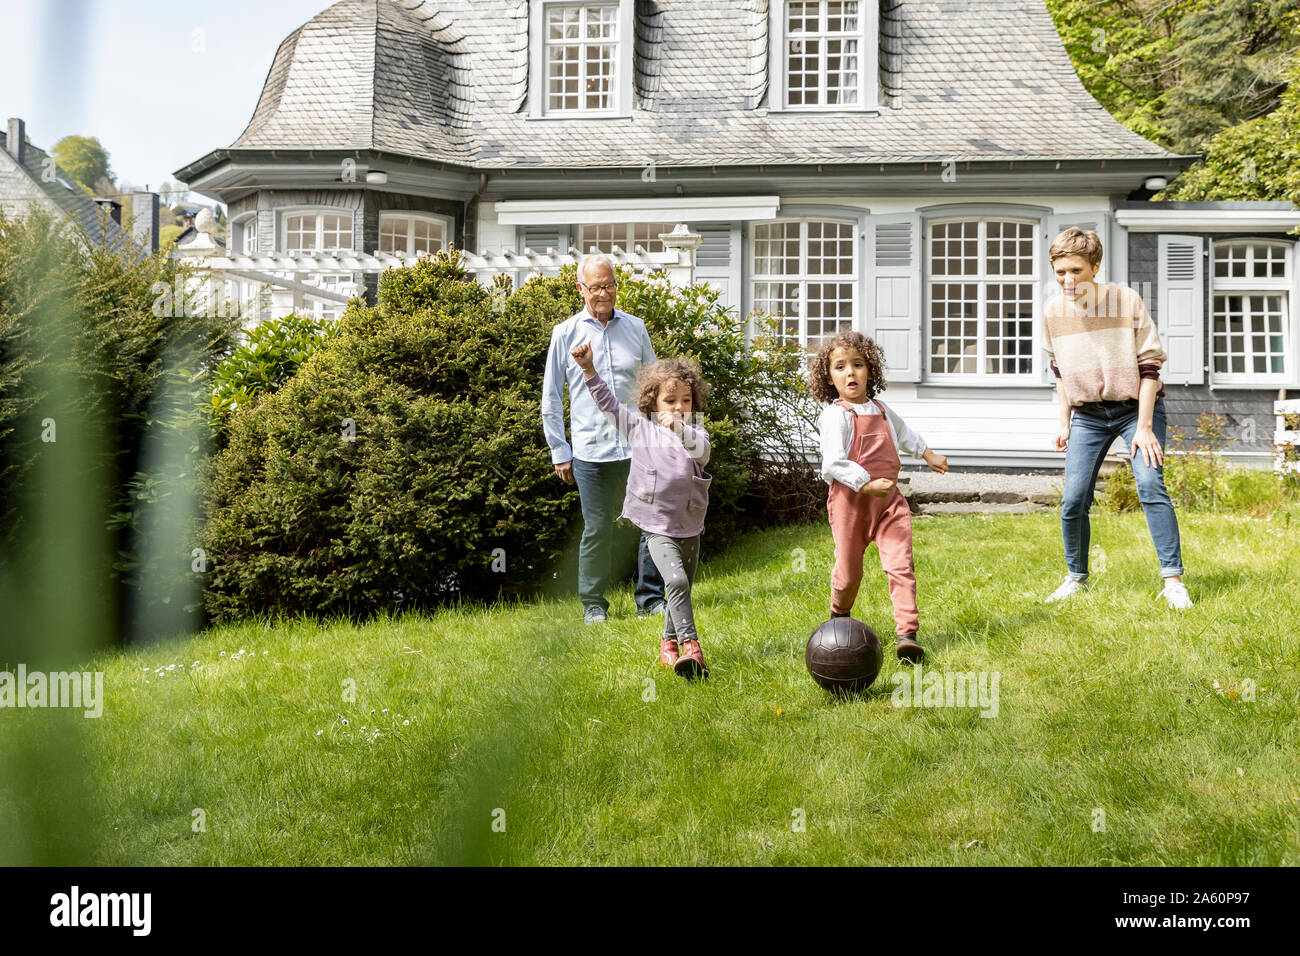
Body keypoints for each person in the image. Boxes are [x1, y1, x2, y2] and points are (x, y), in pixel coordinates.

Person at [1044, 227, 1191, 609]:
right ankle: (1076, 577)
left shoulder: (1125, 301)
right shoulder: (1053, 311)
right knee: (1074, 499)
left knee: (1149, 484)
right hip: (1088, 415)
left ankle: (1173, 583)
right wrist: (1064, 422)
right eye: (1060, 272)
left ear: (1095, 266)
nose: (1068, 280)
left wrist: (1143, 428)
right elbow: (1059, 372)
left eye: (1076, 270)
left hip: (1135, 409)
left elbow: (1149, 368)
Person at [570, 343, 713, 677]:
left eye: (686, 401)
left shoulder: (696, 432)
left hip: (689, 524)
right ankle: (692, 647)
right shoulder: (640, 429)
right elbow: (607, 404)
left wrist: (678, 427)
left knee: (683, 589)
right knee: (675, 580)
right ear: (652, 403)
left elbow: (701, 452)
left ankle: (668, 644)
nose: (679, 408)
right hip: (657, 526)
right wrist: (589, 370)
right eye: (670, 401)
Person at [541, 254, 666, 624]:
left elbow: (654, 386)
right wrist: (559, 451)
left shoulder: (636, 328)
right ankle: (593, 604)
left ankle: (650, 599)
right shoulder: (565, 333)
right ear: (581, 289)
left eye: (609, 285)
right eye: (595, 287)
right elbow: (551, 397)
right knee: (597, 528)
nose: (604, 293)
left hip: (636, 447)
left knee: (651, 524)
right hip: (590, 451)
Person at [811, 330, 949, 662]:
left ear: (870, 370)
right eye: (840, 367)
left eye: (857, 365)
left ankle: (907, 635)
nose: (850, 373)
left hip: (889, 504)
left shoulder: (882, 410)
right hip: (851, 506)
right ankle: (838, 619)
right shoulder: (835, 415)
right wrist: (865, 483)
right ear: (829, 377)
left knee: (901, 565)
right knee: (849, 572)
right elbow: (832, 464)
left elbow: (904, 434)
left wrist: (927, 453)